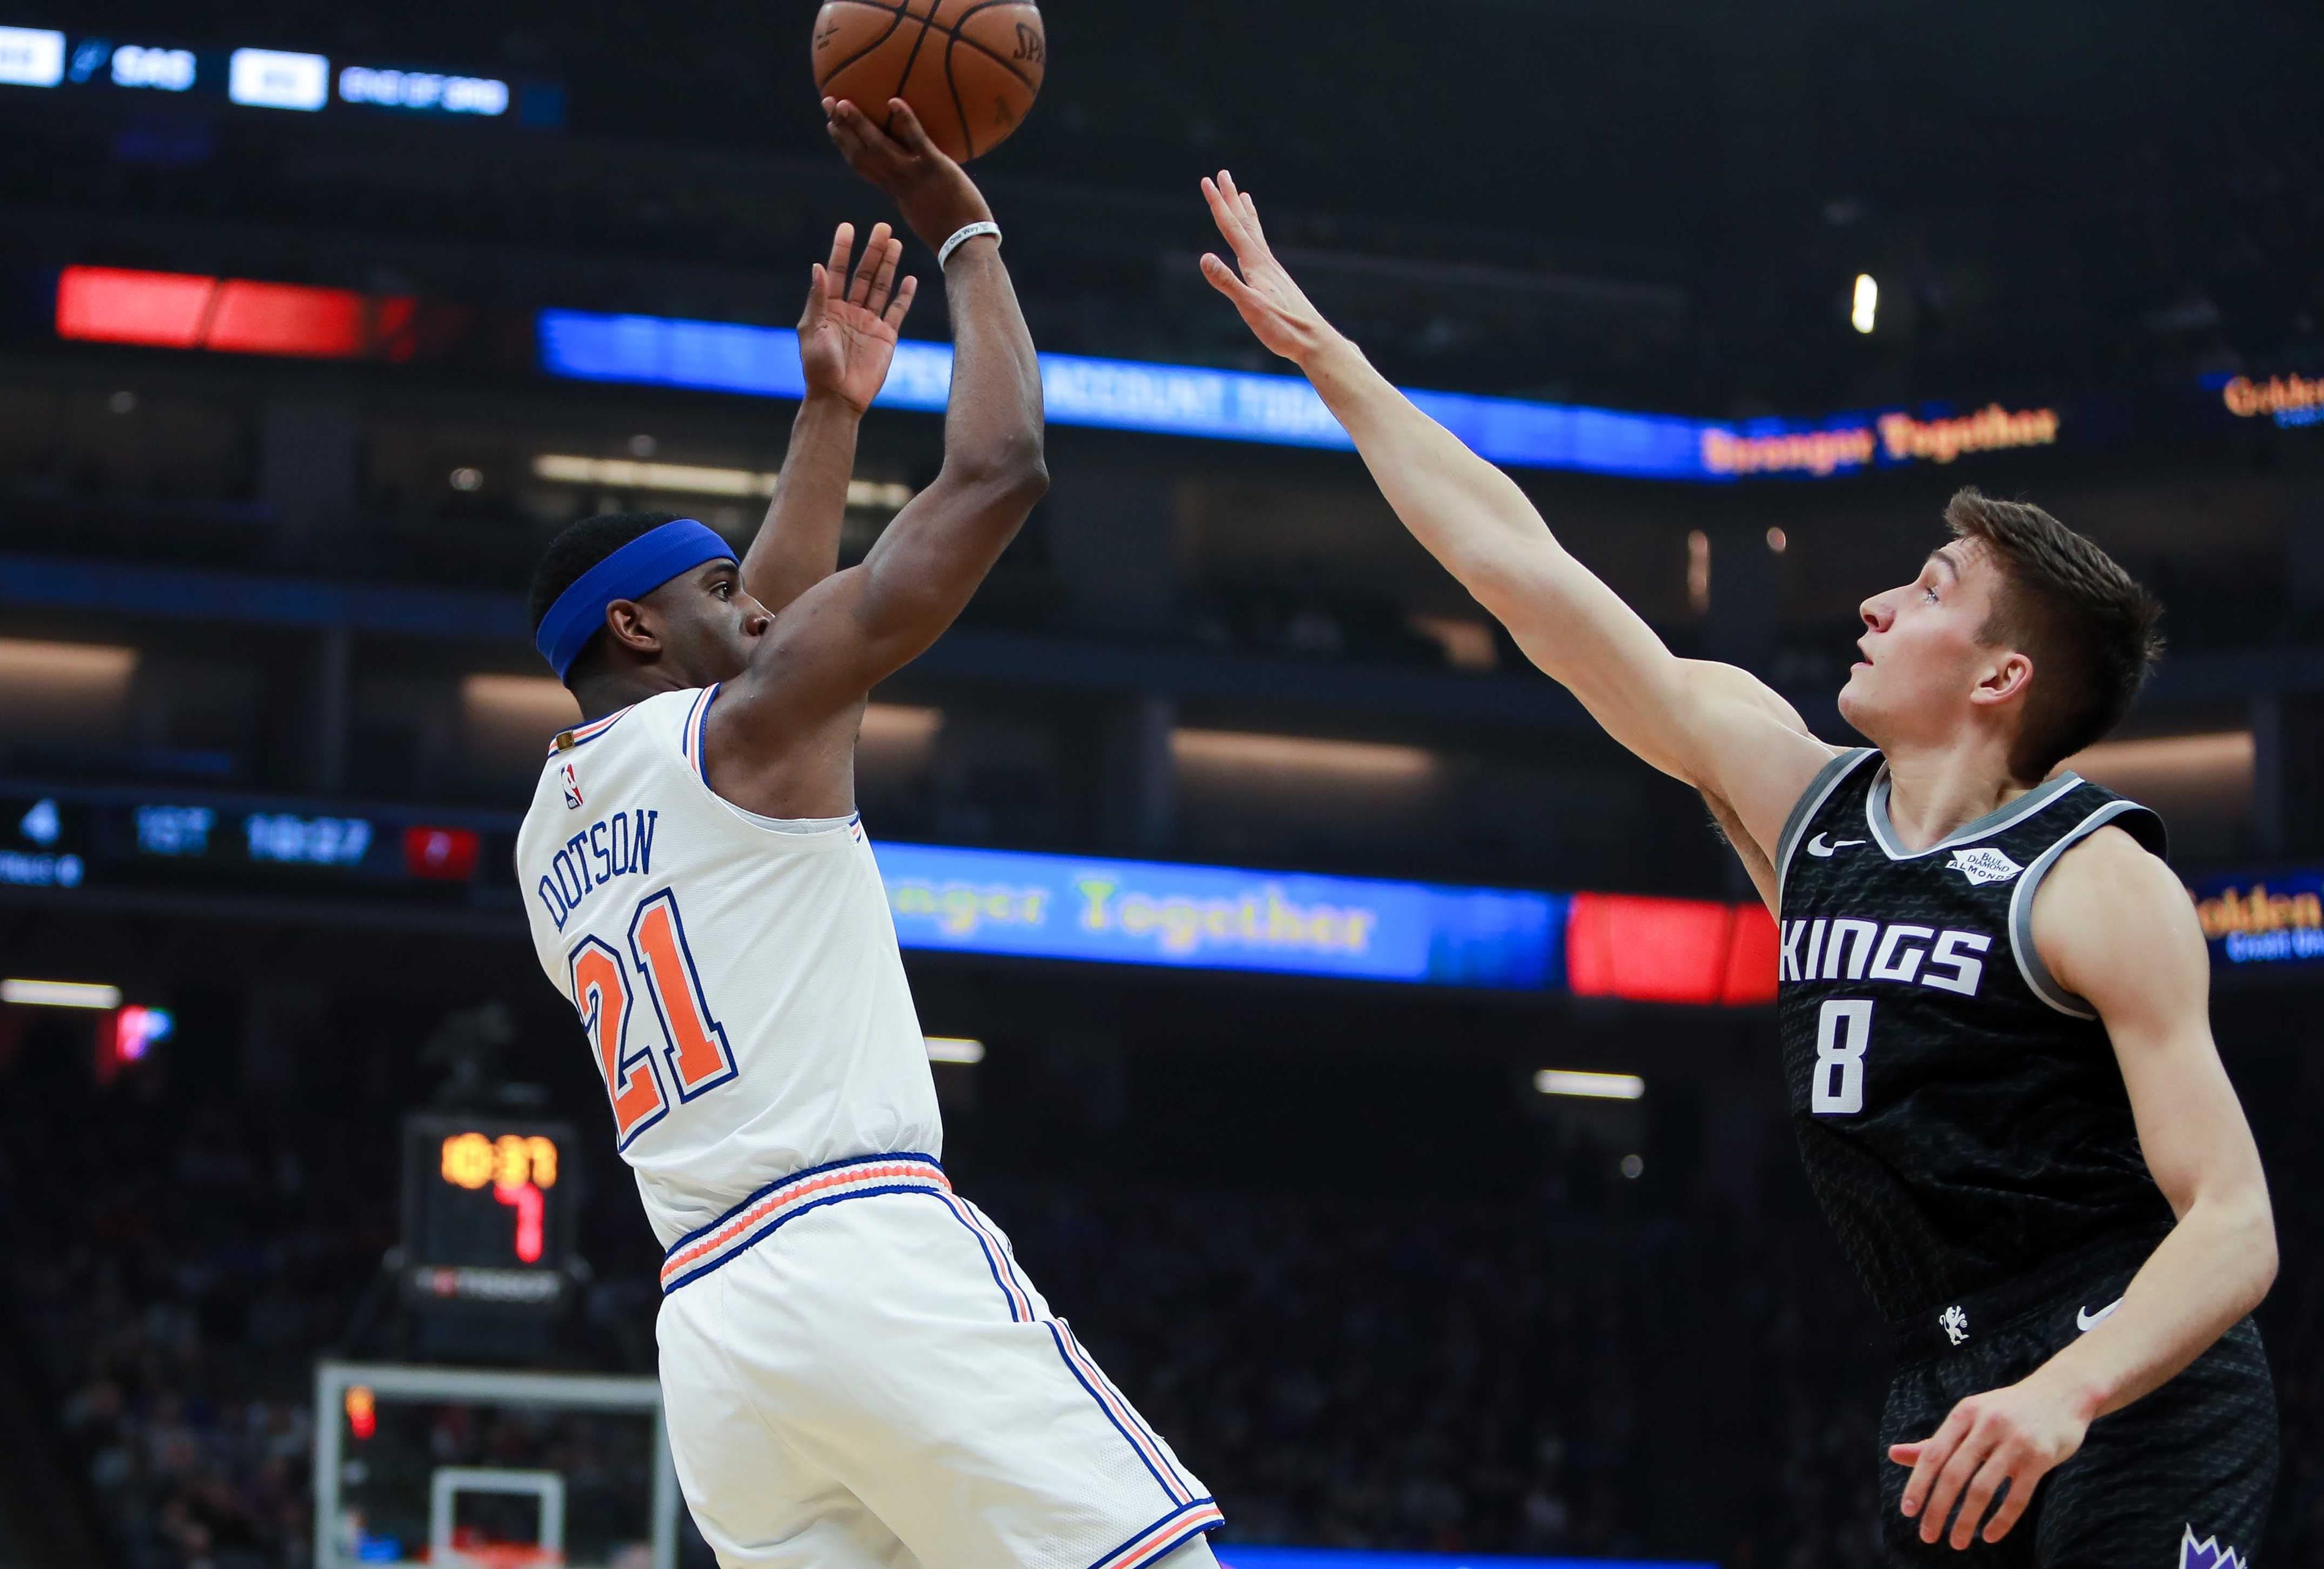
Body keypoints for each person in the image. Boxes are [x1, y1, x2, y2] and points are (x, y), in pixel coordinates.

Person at [1197, 170, 2278, 1567]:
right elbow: (1523, 569)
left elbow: (2236, 1222)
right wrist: (1334, 365)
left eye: (1934, 588)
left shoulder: (2090, 879)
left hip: (2133, 1382)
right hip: (1948, 1387)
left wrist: (2067, 1390)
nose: (1882, 600)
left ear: (2005, 676)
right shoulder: (1800, 802)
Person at [512, 102, 1221, 1569]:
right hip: (861, 1255)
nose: (758, 602)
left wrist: (830, 412)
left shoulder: (550, 825)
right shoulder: (747, 725)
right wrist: (971, 236)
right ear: (641, 626)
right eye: (721, 585)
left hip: (715, 1340)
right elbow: (1002, 468)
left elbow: (759, 632)